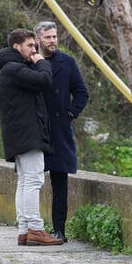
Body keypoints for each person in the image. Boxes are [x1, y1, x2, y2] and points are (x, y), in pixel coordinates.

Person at [0, 28, 63, 246]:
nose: (34, 49)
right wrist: (41, 61)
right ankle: (35, 228)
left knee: (25, 180)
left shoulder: (11, 68)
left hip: (20, 133)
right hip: (27, 133)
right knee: (34, 179)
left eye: (35, 46)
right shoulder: (14, 69)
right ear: (17, 46)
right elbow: (44, 80)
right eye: (30, 46)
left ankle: (24, 229)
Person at [35, 21, 89, 243]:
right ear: (38, 39)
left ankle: (59, 230)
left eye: (54, 37)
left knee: (60, 182)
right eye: (48, 37)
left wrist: (70, 114)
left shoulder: (67, 62)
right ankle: (31, 227)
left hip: (59, 128)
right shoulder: (30, 63)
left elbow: (82, 93)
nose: (52, 41)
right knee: (31, 179)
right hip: (35, 128)